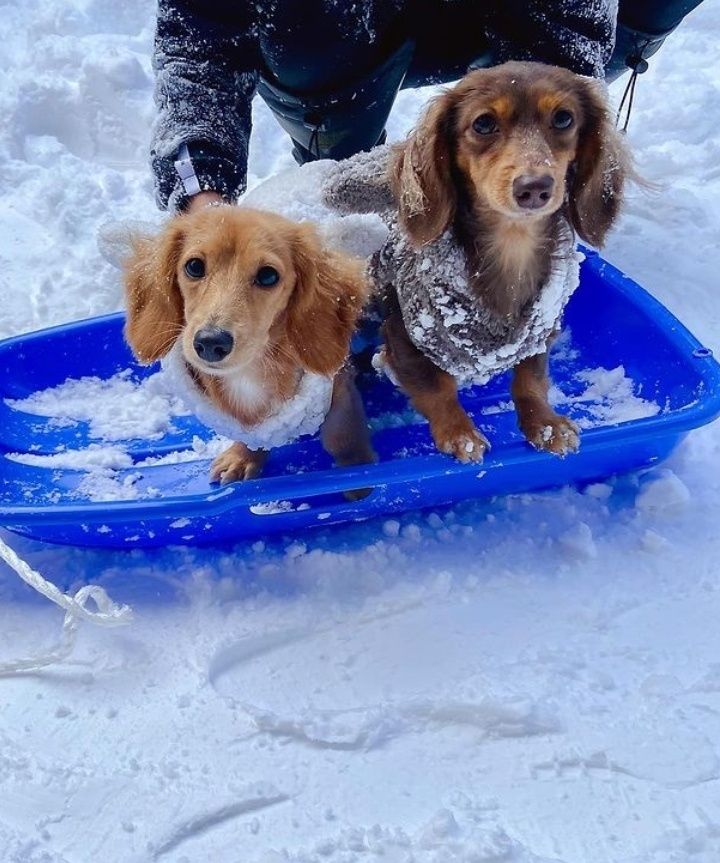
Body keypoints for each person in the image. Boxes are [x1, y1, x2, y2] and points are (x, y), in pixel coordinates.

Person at [150, 0, 704, 215]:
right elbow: (196, 45)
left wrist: (530, 159)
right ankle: (335, 158)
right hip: (341, 24)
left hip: (527, 18)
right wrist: (201, 192)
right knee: (298, 26)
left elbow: (564, 37)